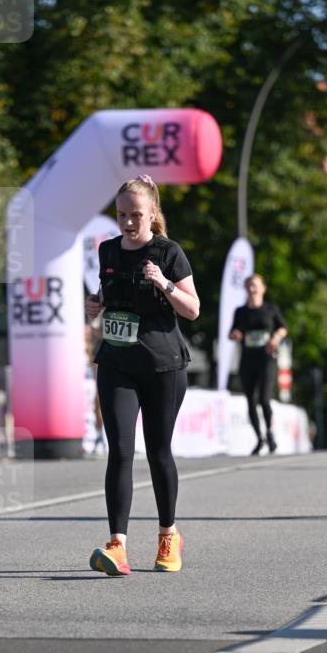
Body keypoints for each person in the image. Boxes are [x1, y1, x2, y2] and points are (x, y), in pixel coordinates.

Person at [85, 175, 199, 575]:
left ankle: (168, 534)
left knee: (158, 452)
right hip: (117, 363)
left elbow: (193, 309)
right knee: (119, 451)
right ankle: (117, 545)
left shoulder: (168, 252)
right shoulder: (108, 250)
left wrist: (164, 283)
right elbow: (109, 293)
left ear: (152, 213)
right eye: (121, 215)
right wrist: (96, 304)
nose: (128, 222)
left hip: (162, 367)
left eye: (136, 215)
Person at [229, 274, 287, 454]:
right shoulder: (240, 311)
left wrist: (275, 338)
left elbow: (283, 328)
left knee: (264, 398)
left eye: (255, 285)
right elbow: (232, 332)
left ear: (263, 288)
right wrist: (235, 334)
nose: (252, 289)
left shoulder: (270, 308)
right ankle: (259, 438)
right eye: (248, 286)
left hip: (267, 359)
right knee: (250, 400)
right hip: (247, 359)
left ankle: (269, 432)